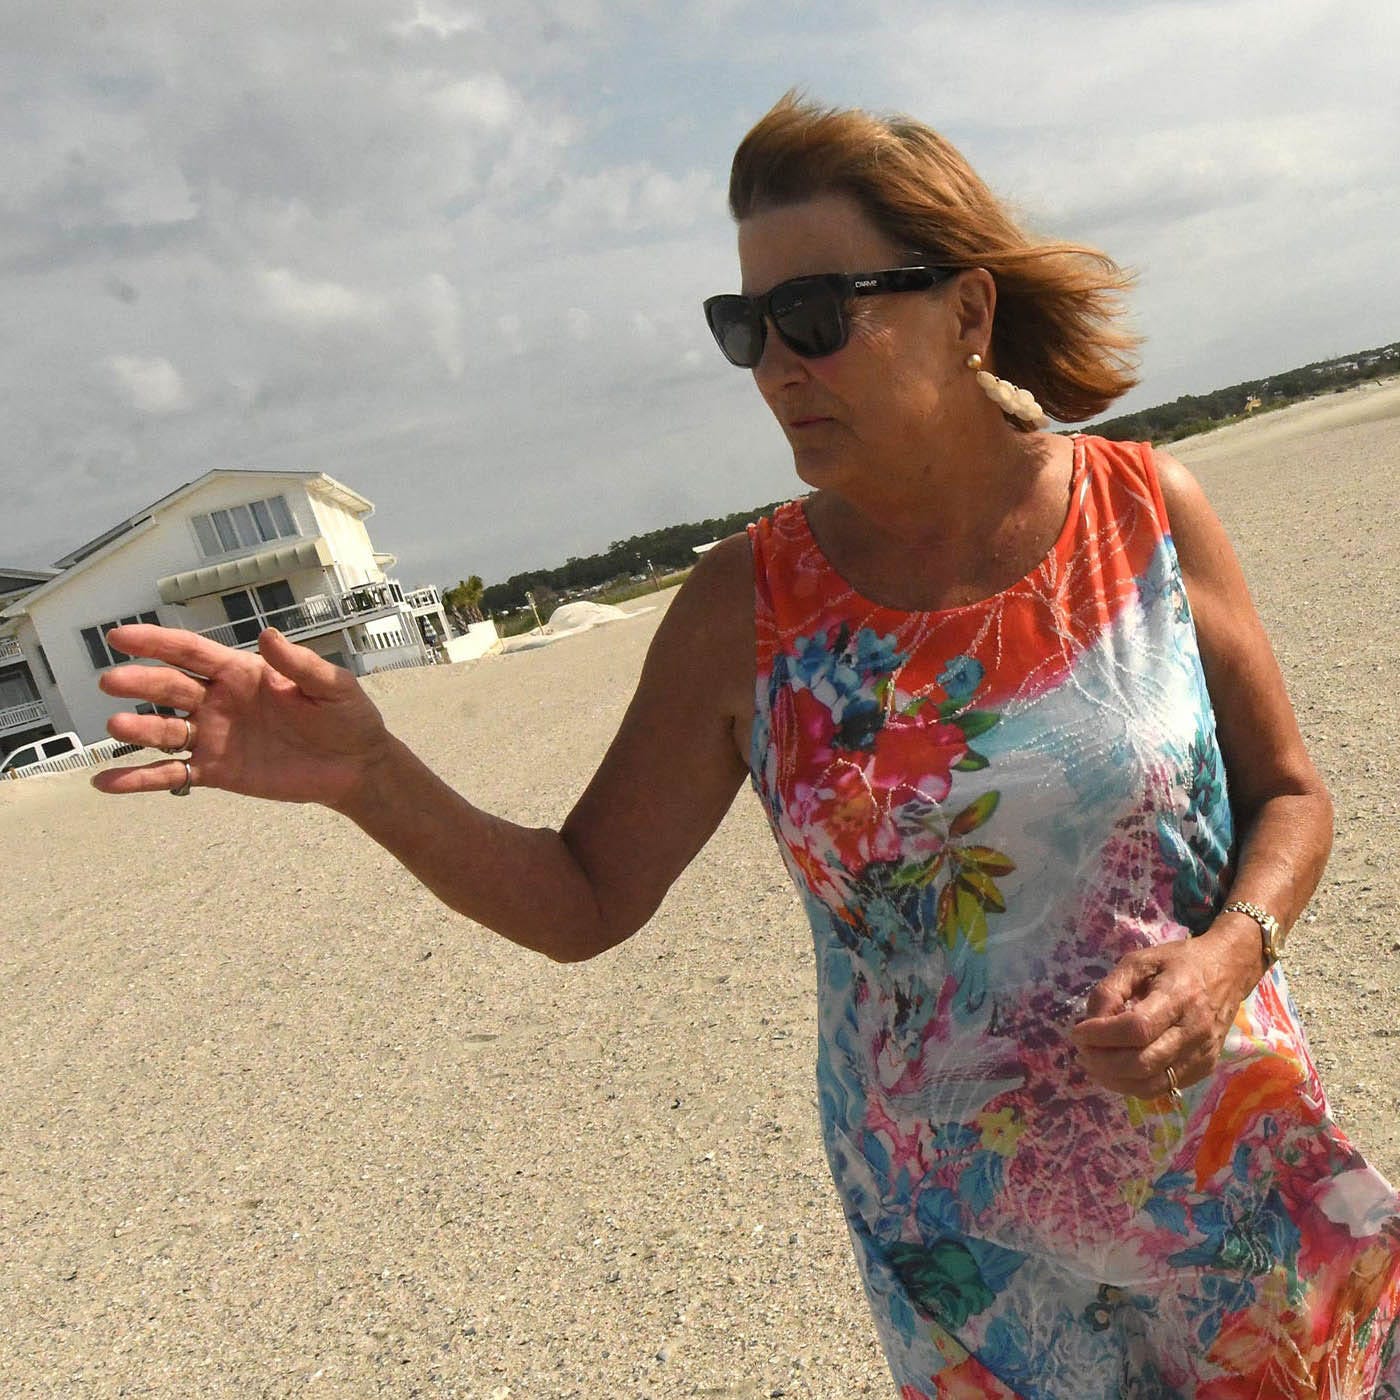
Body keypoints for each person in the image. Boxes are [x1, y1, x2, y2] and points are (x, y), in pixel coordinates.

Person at [94, 94, 1400, 1396]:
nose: (779, 364)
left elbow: (1291, 794)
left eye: (819, 317)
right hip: (974, 1268)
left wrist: (1231, 956)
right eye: (748, 327)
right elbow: (585, 896)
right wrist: (371, 778)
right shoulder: (747, 609)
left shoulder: (1144, 510)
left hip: (1234, 1171)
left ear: (967, 312)